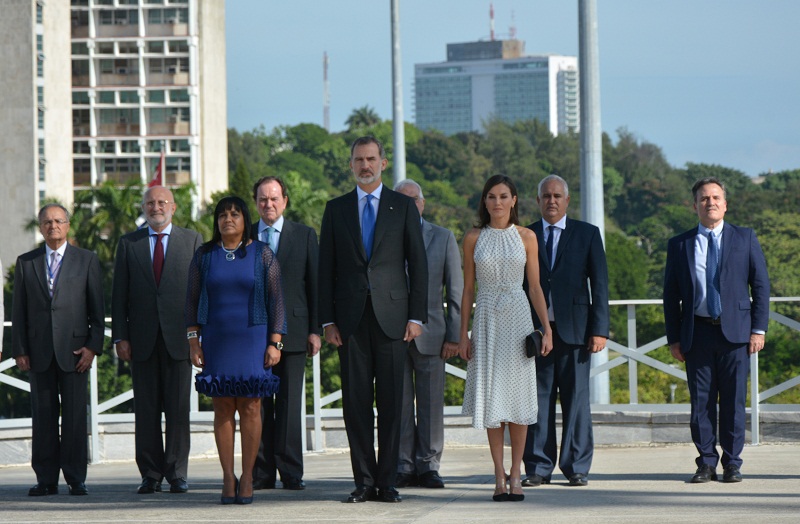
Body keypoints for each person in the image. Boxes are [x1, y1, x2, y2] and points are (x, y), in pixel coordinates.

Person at [318, 136, 428, 504]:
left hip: (394, 319)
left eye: (371, 159)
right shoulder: (335, 210)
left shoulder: (403, 206)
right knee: (356, 404)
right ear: (350, 165)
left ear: (383, 162)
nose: (364, 165)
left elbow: (419, 264)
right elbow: (325, 270)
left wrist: (417, 316)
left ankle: (388, 482)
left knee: (394, 405)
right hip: (349, 322)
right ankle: (363, 481)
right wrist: (327, 321)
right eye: (358, 160)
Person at [663, 177, 769, 483]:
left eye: (716, 197)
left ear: (725, 203)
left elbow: (760, 286)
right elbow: (671, 295)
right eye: (704, 198)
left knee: (734, 402)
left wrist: (758, 329)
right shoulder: (680, 244)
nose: (710, 202)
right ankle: (706, 462)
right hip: (697, 334)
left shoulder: (745, 238)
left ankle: (732, 462)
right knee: (701, 402)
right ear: (694, 205)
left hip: (736, 334)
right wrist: (674, 337)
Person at [185, 196, 286, 504]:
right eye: (222, 215)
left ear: (245, 219)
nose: (228, 219)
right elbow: (190, 301)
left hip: (253, 339)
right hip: (216, 340)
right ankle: (228, 477)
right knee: (223, 407)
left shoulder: (262, 254)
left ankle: (249, 477)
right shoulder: (204, 255)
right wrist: (193, 340)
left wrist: (275, 342)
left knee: (252, 407)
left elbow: (277, 300)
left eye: (234, 214)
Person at [458, 175, 553, 502]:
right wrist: (462, 334)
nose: (497, 202)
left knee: (519, 400)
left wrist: (547, 328)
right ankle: (498, 475)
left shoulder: (527, 237)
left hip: (517, 317)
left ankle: (516, 475)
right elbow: (467, 290)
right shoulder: (473, 237)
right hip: (485, 318)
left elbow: (536, 287)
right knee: (492, 399)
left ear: (514, 200)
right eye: (491, 197)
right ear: (484, 202)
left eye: (503, 196)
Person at [111, 186, 203, 495]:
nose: (156, 207)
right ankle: (150, 473)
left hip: (180, 339)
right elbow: (118, 296)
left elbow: (200, 294)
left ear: (174, 207)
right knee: (146, 411)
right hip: (141, 340)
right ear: (144, 208)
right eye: (150, 203)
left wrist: (198, 337)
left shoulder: (192, 241)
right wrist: (120, 337)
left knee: (178, 410)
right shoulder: (128, 244)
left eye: (162, 202)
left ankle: (177, 472)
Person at [522, 174, 610, 488]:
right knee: (537, 400)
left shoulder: (587, 234)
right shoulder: (525, 234)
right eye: (546, 196)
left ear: (567, 200)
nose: (552, 201)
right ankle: (538, 467)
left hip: (576, 332)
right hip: (535, 333)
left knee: (576, 401)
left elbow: (599, 285)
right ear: (538, 201)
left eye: (557, 196)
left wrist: (600, 330)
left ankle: (576, 467)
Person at [12, 204, 104, 496]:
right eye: (47, 222)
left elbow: (97, 313)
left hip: (76, 352)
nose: (53, 226)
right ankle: (46, 479)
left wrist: (92, 348)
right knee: (43, 417)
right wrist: (20, 349)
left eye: (58, 221)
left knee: (76, 417)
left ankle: (76, 478)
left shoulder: (86, 260)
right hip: (38, 353)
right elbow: (19, 311)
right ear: (40, 227)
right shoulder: (26, 262)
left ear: (68, 225)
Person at [250, 176, 320, 491]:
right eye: (263, 199)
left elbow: (315, 286)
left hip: (294, 332)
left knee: (291, 405)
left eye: (274, 198)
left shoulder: (304, 235)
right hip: (252, 335)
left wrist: (316, 330)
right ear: (256, 203)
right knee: (258, 405)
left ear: (285, 201)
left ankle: (291, 471)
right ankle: (261, 472)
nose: (269, 204)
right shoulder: (245, 236)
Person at [393, 179, 462, 490]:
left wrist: (454, 335)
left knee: (432, 404)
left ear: (422, 203)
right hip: (392, 334)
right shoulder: (383, 237)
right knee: (400, 404)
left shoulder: (443, 237)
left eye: (413, 201)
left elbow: (456, 291)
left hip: (433, 334)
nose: (408, 206)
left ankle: (429, 466)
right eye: (400, 201)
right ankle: (404, 465)